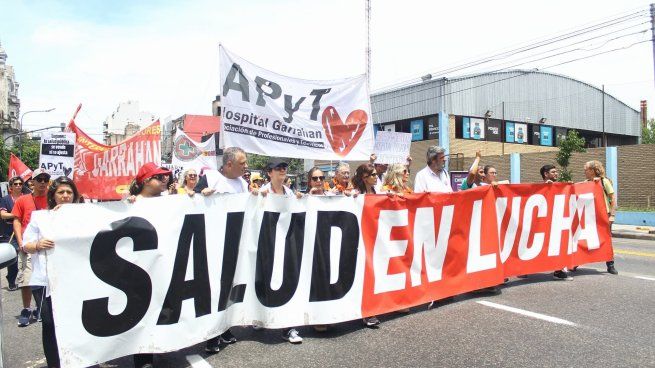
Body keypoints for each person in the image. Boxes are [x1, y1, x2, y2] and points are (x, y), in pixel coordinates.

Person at [22, 176, 82, 368]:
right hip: (46, 281)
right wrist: (38, 245)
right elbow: (26, 245)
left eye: (69, 192)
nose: (65, 196)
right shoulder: (41, 218)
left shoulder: (86, 216)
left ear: (75, 195)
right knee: (49, 324)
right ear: (53, 196)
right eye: (61, 192)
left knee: (76, 322)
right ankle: (55, 363)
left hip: (75, 281)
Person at [258, 158, 303, 343]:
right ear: (270, 173)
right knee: (263, 279)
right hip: (265, 243)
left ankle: (288, 327)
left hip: (285, 243)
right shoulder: (262, 192)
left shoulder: (290, 192)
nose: (283, 170)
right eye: (278, 168)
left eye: (284, 167)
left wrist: (300, 200)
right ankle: (260, 316)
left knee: (286, 279)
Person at [12, 168, 50, 327]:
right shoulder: (22, 200)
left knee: (47, 280)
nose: (42, 182)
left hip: (49, 246)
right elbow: (17, 221)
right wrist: (21, 242)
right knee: (27, 280)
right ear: (31, 182)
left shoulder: (53, 198)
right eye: (39, 179)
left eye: (45, 180)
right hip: (29, 246)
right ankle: (27, 309)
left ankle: (43, 308)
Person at [583, 160, 618, 275]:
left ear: (592, 171)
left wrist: (612, 215)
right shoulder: (585, 182)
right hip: (590, 215)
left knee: (606, 239)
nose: (585, 171)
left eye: (586, 169)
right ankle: (577, 262)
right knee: (584, 238)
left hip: (604, 215)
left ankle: (610, 264)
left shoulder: (604, 182)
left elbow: (612, 198)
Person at [0, 176, 25, 291]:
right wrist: (17, 214)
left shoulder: (26, 198)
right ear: (11, 187)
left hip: (24, 231)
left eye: (20, 183)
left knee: (27, 257)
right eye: (16, 184)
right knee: (12, 259)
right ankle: (11, 281)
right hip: (9, 234)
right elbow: (3, 215)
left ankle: (27, 279)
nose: (18, 185)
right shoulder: (5, 199)